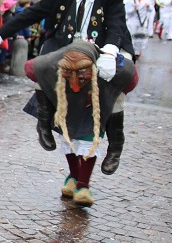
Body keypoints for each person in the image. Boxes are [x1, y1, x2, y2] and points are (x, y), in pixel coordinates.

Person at [0, 0, 132, 175]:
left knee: (121, 81)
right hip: (65, 49)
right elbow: (35, 13)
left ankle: (115, 147)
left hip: (100, 51)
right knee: (40, 65)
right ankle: (43, 122)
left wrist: (111, 51)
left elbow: (116, 25)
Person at [24, 41, 137, 206]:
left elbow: (130, 80)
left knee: (88, 139)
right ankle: (74, 176)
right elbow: (33, 70)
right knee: (68, 136)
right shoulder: (50, 64)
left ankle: (84, 184)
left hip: (96, 99)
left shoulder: (118, 70)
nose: (75, 84)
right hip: (67, 99)